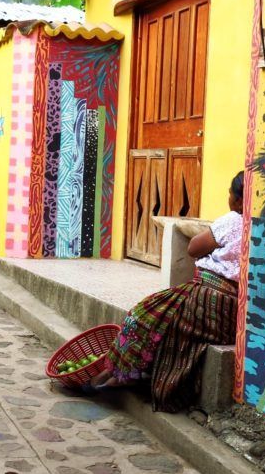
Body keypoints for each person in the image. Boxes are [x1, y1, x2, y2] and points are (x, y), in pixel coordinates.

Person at [86, 171, 246, 411]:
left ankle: (117, 374)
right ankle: (119, 375)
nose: (229, 199)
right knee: (168, 323)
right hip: (234, 310)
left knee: (144, 315)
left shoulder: (234, 219)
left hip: (211, 299)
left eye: (230, 194)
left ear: (238, 199)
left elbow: (193, 248)